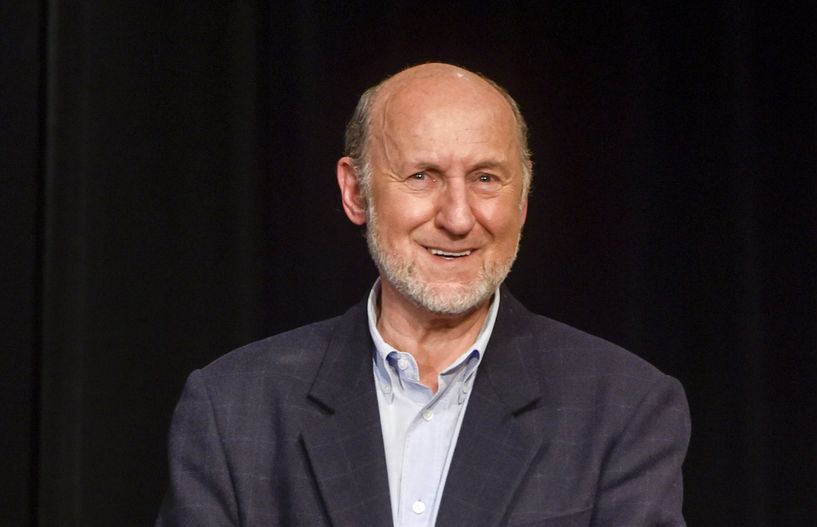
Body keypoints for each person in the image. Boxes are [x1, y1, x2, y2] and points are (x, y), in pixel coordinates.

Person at [156, 63, 690, 526]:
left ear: (523, 201)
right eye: (422, 176)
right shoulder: (233, 409)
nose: (458, 218)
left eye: (486, 178)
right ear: (355, 192)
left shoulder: (624, 408)